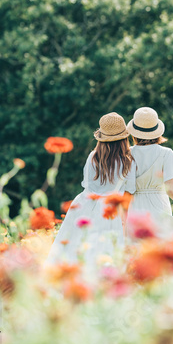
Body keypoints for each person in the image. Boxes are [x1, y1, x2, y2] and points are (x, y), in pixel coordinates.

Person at [44, 112, 136, 275]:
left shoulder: (93, 156)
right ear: (124, 138)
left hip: (85, 203)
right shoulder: (128, 160)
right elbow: (130, 189)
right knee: (104, 249)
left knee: (76, 244)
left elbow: (87, 183)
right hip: (110, 209)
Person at [126, 107, 173, 240]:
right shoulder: (166, 154)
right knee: (161, 249)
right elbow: (171, 190)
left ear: (133, 133)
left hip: (134, 208)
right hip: (158, 205)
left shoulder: (126, 154)